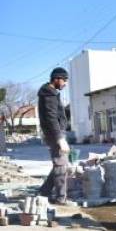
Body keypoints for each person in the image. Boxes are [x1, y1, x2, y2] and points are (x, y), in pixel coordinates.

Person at [38, 67, 71, 205]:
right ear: (56, 79)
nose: (65, 83)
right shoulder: (49, 95)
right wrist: (60, 139)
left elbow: (56, 115)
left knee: (59, 164)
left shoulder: (50, 93)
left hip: (55, 133)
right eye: (64, 80)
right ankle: (60, 198)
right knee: (61, 166)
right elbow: (51, 118)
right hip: (54, 134)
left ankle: (44, 192)